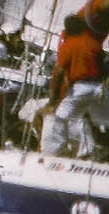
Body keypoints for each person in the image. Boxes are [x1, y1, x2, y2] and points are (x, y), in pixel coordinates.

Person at [43, 14, 104, 157]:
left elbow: (59, 71)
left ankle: (54, 151)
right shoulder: (93, 42)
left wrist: (53, 98)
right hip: (99, 87)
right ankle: (90, 149)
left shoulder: (69, 44)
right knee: (84, 117)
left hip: (80, 88)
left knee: (59, 117)